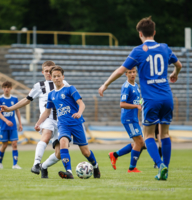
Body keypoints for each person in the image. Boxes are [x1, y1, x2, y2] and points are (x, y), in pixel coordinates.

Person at [99, 16, 182, 180]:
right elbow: (178, 65)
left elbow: (121, 70)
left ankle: (160, 166)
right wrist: (175, 74)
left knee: (149, 136)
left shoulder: (138, 51)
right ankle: (166, 167)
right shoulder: (165, 48)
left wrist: (106, 84)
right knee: (164, 135)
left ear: (140, 34)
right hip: (167, 97)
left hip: (151, 100)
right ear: (154, 32)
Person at [0, 61, 68, 178]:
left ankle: (44, 166)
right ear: (43, 72)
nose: (49, 73)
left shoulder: (64, 84)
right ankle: (36, 164)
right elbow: (26, 100)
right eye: (46, 71)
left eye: (51, 70)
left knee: (59, 153)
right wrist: (10, 108)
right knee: (46, 135)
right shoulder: (39, 86)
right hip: (47, 118)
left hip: (62, 121)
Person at [35, 66, 100, 179]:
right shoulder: (51, 95)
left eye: (58, 76)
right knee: (63, 143)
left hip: (76, 123)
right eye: (54, 76)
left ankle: (95, 166)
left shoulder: (70, 89)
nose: (56, 78)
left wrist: (79, 113)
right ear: (51, 78)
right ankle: (69, 171)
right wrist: (38, 123)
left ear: (63, 77)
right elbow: (47, 111)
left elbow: (81, 103)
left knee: (85, 152)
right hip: (63, 124)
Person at [108, 67, 144, 173]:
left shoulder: (136, 85)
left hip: (133, 118)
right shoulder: (126, 87)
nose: (132, 74)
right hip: (128, 118)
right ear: (126, 74)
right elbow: (122, 104)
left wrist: (137, 118)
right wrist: (136, 106)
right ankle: (131, 168)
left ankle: (114, 155)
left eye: (134, 72)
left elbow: (138, 102)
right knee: (140, 142)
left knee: (139, 143)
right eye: (130, 72)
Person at [0, 81, 23, 169]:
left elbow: (17, 110)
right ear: (2, 88)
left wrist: (20, 123)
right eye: (4, 87)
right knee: (5, 145)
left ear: (11, 88)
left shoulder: (14, 99)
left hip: (13, 125)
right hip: (3, 126)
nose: (6, 89)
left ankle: (15, 164)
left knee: (14, 144)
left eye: (8, 87)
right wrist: (6, 121)